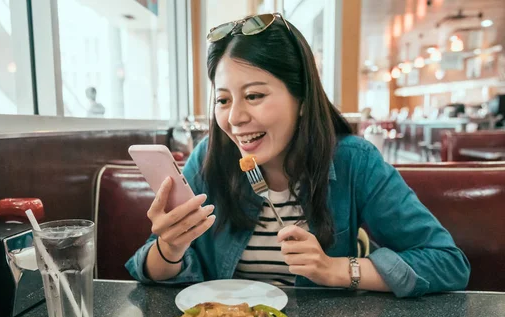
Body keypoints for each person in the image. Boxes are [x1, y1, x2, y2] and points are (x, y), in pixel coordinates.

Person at [125, 13, 470, 297]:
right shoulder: (208, 160)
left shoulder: (353, 162)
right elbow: (152, 270)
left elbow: (446, 262)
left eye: (255, 95)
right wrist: (169, 248)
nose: (234, 118)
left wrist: (336, 269)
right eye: (224, 99)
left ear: (302, 99)